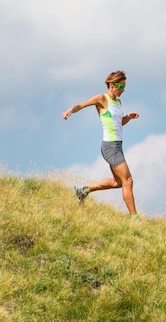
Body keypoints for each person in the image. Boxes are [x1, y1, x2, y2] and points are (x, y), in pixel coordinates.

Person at [62, 70, 141, 220]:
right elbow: (81, 105)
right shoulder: (101, 99)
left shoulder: (118, 102)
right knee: (128, 181)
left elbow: (119, 123)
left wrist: (128, 118)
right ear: (112, 85)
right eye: (121, 87)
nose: (123, 91)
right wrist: (69, 110)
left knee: (119, 182)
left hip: (118, 146)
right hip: (110, 146)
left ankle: (83, 190)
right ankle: (135, 219)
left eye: (124, 88)